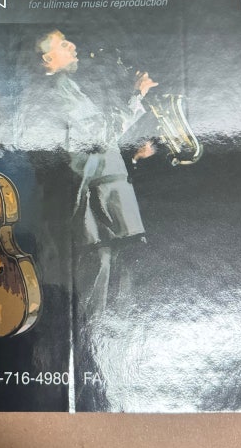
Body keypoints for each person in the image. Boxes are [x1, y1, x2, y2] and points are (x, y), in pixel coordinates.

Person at [27, 29, 157, 409]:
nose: (73, 46)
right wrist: (136, 96)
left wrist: (130, 156)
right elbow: (97, 136)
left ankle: (102, 355)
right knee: (99, 273)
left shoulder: (67, 88)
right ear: (47, 60)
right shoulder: (57, 92)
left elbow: (92, 147)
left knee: (110, 270)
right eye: (63, 44)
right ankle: (94, 360)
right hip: (93, 199)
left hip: (103, 192)